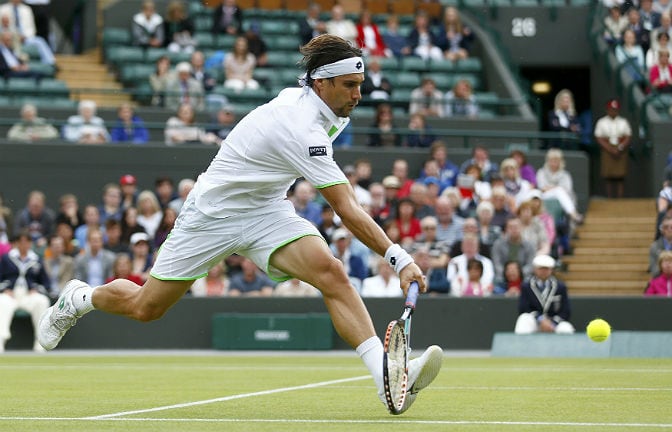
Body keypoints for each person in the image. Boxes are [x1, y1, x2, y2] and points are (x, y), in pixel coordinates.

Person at [37, 35, 441, 413]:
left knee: (332, 273)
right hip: (212, 214)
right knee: (146, 309)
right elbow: (346, 208)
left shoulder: (326, 108)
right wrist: (399, 257)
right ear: (321, 84)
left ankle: (385, 376)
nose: (358, 95)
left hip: (265, 209)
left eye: (360, 84)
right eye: (350, 85)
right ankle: (79, 299)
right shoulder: (301, 127)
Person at [0, 231, 51, 352]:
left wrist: (36, 288)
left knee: (42, 301)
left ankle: (40, 343)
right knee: (1, 302)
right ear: (17, 243)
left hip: (29, 295)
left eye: (27, 241)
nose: (24, 244)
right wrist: (5, 288)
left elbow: (46, 283)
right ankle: (0, 340)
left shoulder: (36, 260)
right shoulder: (6, 258)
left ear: (30, 243)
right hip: (10, 295)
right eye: (21, 242)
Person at [514, 254, 575, 334]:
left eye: (546, 269)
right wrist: (541, 320)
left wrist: (552, 322)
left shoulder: (560, 286)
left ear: (551, 270)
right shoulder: (527, 286)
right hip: (534, 321)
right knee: (523, 319)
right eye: (541, 269)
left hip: (554, 323)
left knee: (566, 329)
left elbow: (565, 311)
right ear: (535, 269)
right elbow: (524, 308)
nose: (543, 271)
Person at [594, 98, 632, 199]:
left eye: (615, 110)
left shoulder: (623, 121)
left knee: (620, 175)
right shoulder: (601, 122)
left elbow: (628, 136)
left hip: (620, 149)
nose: (613, 112)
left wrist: (620, 147)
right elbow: (599, 137)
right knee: (608, 175)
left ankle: (620, 198)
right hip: (607, 149)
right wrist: (610, 149)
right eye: (611, 109)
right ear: (607, 110)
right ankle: (609, 197)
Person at [536, 148, 583, 223]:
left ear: (561, 161)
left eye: (556, 160)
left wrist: (552, 188)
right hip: (545, 197)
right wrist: (556, 188)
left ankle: (572, 216)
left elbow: (567, 190)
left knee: (560, 192)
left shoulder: (565, 174)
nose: (554, 163)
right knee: (559, 190)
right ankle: (574, 214)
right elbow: (542, 188)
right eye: (551, 160)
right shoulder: (541, 172)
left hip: (561, 198)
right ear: (547, 161)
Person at [491, 217, 537, 286]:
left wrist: (518, 274)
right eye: (511, 227)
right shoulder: (498, 244)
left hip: (524, 277)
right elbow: (497, 264)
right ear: (506, 229)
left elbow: (530, 265)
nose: (514, 230)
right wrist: (507, 274)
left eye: (516, 227)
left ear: (521, 228)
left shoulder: (530, 245)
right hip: (502, 277)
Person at [43, 234, 75, 300]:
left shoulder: (68, 262)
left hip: (62, 292)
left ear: (63, 247)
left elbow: (66, 279)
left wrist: (58, 292)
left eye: (59, 246)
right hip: (47, 292)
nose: (57, 248)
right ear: (50, 247)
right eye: (55, 246)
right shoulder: (45, 262)